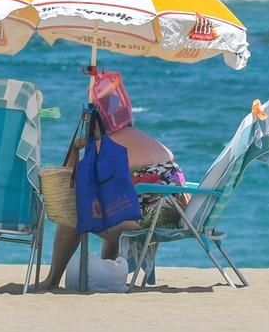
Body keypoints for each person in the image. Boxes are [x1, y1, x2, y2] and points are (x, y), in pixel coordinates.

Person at [35, 72, 188, 290]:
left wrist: (77, 147)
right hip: (178, 214)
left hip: (151, 220)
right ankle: (110, 271)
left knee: (73, 217)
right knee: (114, 204)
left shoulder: (108, 147)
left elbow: (70, 182)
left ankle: (51, 280)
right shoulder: (141, 137)